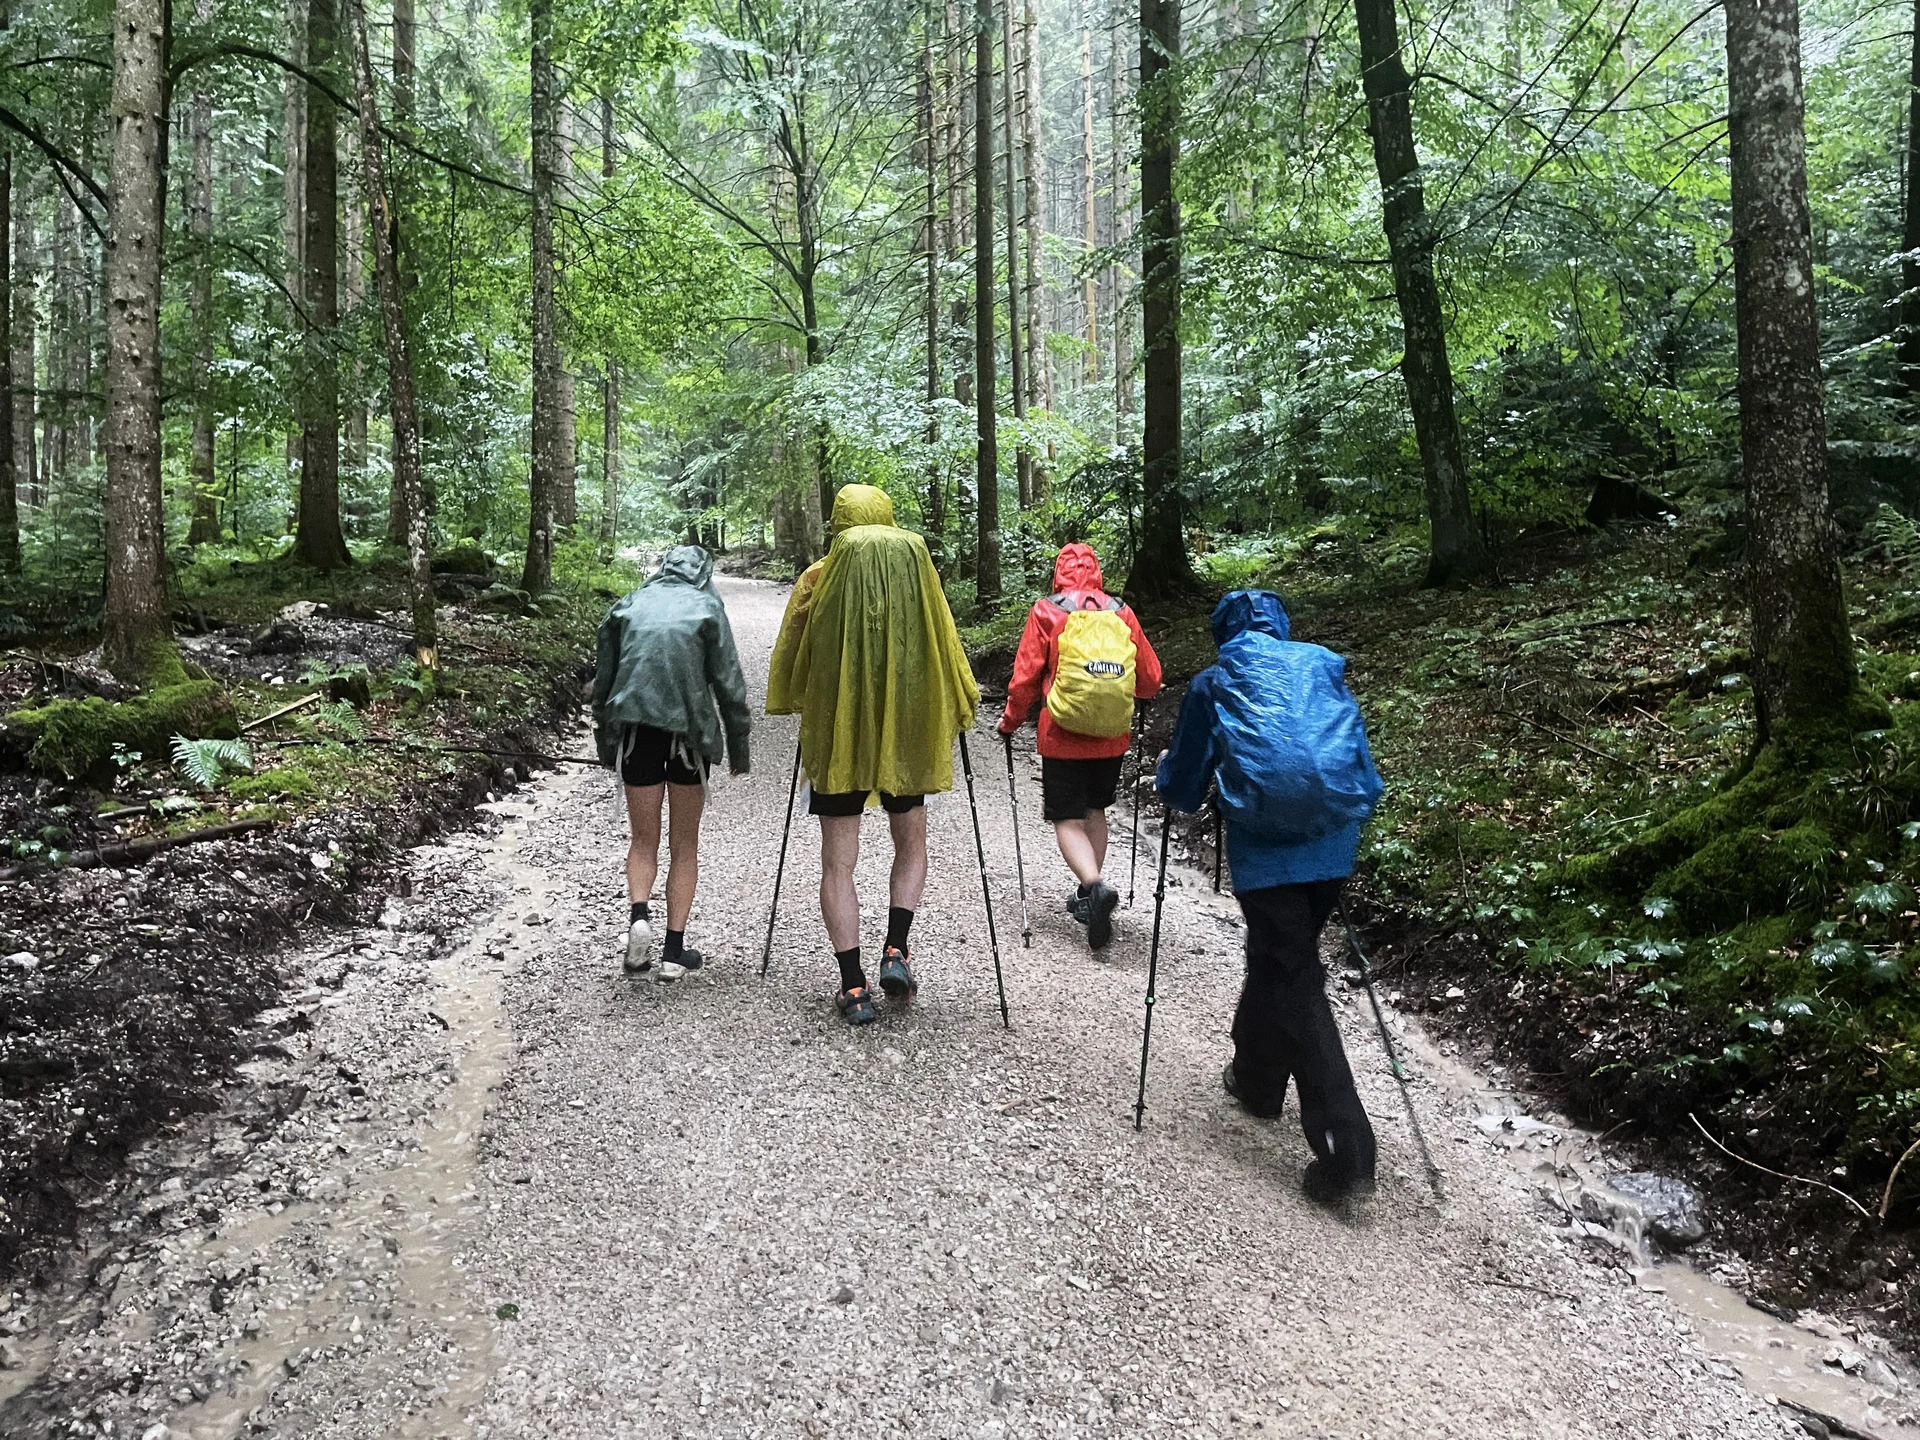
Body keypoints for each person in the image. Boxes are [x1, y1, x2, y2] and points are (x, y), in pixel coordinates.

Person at [1155, 590, 1384, 1203]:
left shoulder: (1216, 679)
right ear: (1281, 627)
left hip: (1269, 851)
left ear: (1222, 631)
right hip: (1335, 838)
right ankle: (1257, 1081)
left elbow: (1182, 784)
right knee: (1281, 960)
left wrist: (1164, 775)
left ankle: (1347, 1149)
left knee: (1294, 975)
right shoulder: (1319, 665)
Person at [767, 484, 979, 1026]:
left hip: (838, 733)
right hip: (904, 729)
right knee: (910, 839)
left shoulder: (818, 576)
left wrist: (798, 696)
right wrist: (961, 698)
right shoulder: (918, 568)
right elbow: (945, 637)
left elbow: (793, 652)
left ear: (837, 524)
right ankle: (896, 950)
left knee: (839, 860)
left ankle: (853, 985)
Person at [592, 544, 751, 980]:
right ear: (703, 574)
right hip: (689, 738)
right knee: (685, 845)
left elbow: (603, 681)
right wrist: (739, 749)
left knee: (643, 839)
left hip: (636, 731)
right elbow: (729, 682)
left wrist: (606, 743)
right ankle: (672, 951)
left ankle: (638, 919)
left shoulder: (630, 603)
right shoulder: (707, 606)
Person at [996, 543, 1162, 951]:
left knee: (1067, 820)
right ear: (1097, 572)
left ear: (1059, 572)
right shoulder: (1120, 611)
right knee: (1095, 811)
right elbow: (1150, 679)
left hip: (1062, 736)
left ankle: (1093, 885)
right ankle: (1091, 897)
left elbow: (1025, 678)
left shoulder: (1047, 611)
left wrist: (1010, 721)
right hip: (1110, 736)